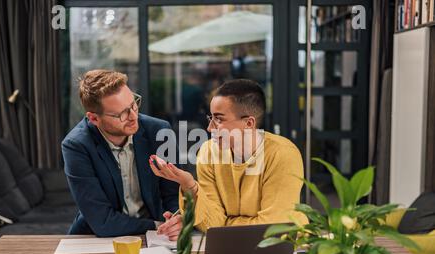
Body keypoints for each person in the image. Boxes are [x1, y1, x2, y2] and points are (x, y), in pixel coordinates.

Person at [149, 79, 308, 239]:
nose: (210, 128)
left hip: (290, 251)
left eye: (219, 119)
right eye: (210, 118)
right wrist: (190, 186)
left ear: (249, 123)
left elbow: (272, 229)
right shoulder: (208, 152)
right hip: (234, 247)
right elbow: (212, 224)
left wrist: (225, 224)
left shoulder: (283, 154)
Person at [62, 70, 179, 238]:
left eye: (133, 104)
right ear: (94, 119)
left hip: (158, 237)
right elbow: (103, 221)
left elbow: (173, 193)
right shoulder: (76, 146)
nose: (133, 116)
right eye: (121, 114)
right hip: (96, 238)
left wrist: (176, 219)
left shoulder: (160, 131)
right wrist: (157, 225)